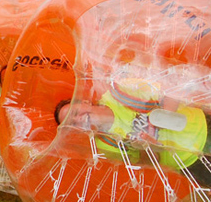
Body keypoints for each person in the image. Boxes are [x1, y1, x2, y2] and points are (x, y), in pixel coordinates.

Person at [54, 75, 211, 187]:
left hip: (203, 125)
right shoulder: (105, 146)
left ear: (85, 102)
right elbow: (147, 166)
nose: (78, 119)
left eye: (74, 113)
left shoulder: (120, 92)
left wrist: (163, 118)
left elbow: (171, 89)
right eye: (71, 124)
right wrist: (147, 148)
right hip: (190, 162)